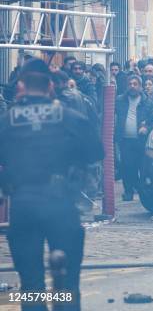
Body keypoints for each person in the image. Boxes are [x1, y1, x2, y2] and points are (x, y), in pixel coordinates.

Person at [0, 58, 104, 310]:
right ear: (50, 86)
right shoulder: (70, 118)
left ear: (21, 86)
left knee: (31, 284)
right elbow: (95, 154)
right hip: (61, 203)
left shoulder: (6, 121)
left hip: (23, 205)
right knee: (68, 282)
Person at [115, 75, 153, 201]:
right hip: (125, 140)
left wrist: (146, 128)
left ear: (140, 86)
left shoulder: (147, 102)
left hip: (141, 140)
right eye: (130, 84)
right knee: (127, 166)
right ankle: (128, 191)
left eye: (135, 84)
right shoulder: (119, 100)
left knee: (141, 166)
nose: (132, 86)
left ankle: (142, 189)